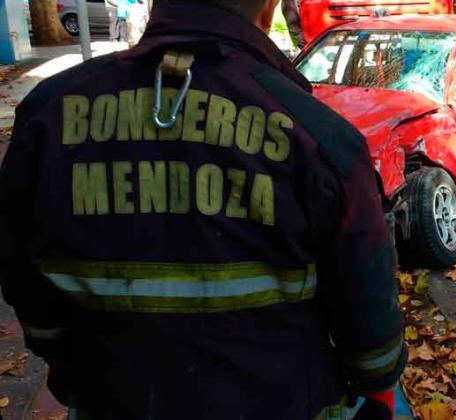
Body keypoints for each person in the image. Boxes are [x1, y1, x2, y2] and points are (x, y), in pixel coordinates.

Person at [0, 0, 405, 418]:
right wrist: (378, 387)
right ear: (267, 9)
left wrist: (71, 365)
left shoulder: (45, 117)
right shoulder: (320, 136)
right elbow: (370, 325)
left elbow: (25, 284)